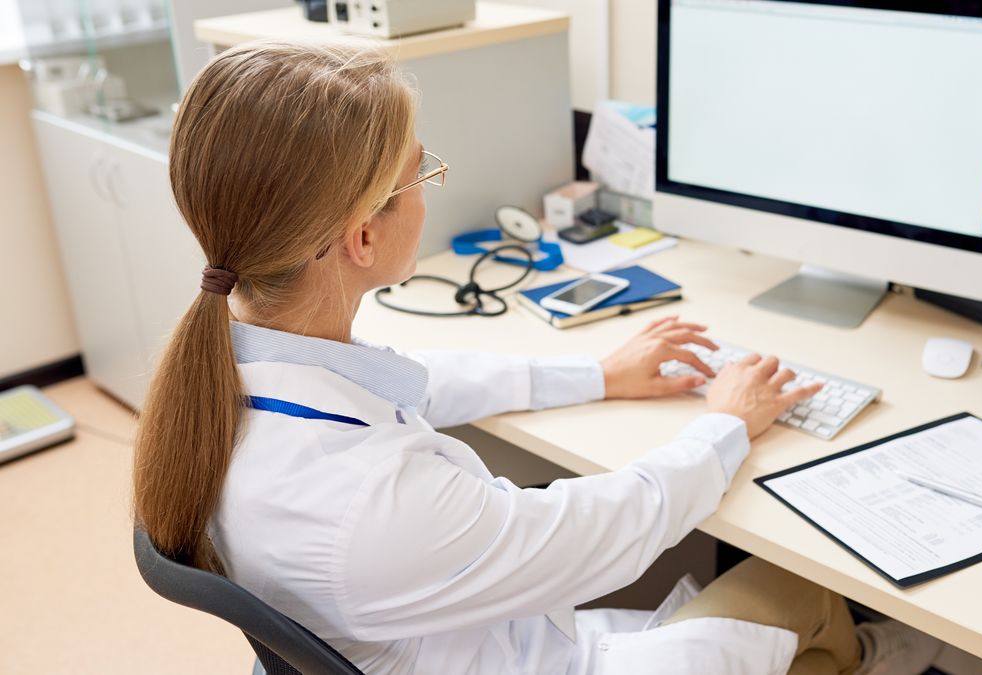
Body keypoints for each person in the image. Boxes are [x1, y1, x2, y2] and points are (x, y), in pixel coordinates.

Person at [132, 40, 941, 675]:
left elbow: (414, 379)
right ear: (363, 236)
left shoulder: (235, 373)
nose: (430, 184)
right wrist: (726, 423)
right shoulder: (370, 503)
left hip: (473, 641)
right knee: (803, 585)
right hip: (533, 653)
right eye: (422, 172)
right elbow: (605, 530)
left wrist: (598, 375)